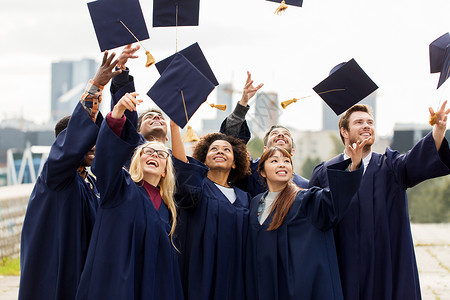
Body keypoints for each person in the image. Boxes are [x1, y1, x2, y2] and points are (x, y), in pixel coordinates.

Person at [308, 102, 450, 300]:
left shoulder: (390, 166)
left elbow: (416, 159)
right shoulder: (325, 172)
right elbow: (313, 219)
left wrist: (438, 130)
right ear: (344, 131)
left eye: (370, 122)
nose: (366, 125)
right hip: (342, 266)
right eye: (359, 122)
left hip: (384, 266)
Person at [19, 51, 121, 300]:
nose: (95, 145)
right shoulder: (56, 177)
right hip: (56, 276)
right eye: (88, 140)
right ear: (68, 143)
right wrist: (96, 86)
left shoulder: (91, 182)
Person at [75, 94, 183, 300]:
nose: (154, 156)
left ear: (164, 171)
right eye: (148, 152)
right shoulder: (120, 187)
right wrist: (117, 115)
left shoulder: (168, 209)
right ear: (137, 160)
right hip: (116, 286)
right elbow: (106, 161)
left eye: (161, 155)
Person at [245, 139, 366, 300]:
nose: (282, 164)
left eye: (287, 161)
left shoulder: (306, 199)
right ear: (262, 172)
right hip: (265, 286)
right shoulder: (255, 203)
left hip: (299, 288)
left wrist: (353, 166)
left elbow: (334, 200)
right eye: (274, 161)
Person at [170, 120, 251, 300]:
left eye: (226, 149)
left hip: (234, 277)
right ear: (204, 159)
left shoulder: (245, 198)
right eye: (213, 149)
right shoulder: (196, 186)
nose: (220, 151)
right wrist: (174, 128)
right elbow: (181, 166)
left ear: (235, 163)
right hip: (199, 274)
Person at [220, 71, 309, 197]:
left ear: (293, 151)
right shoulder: (249, 171)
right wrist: (243, 103)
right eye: (275, 133)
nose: (280, 135)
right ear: (265, 149)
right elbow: (230, 142)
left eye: (286, 134)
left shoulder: (305, 187)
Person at [111, 43, 168, 144]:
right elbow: (127, 117)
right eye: (148, 117)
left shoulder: (173, 159)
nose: (156, 117)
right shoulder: (130, 151)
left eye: (161, 118)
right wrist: (120, 68)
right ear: (137, 131)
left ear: (167, 137)